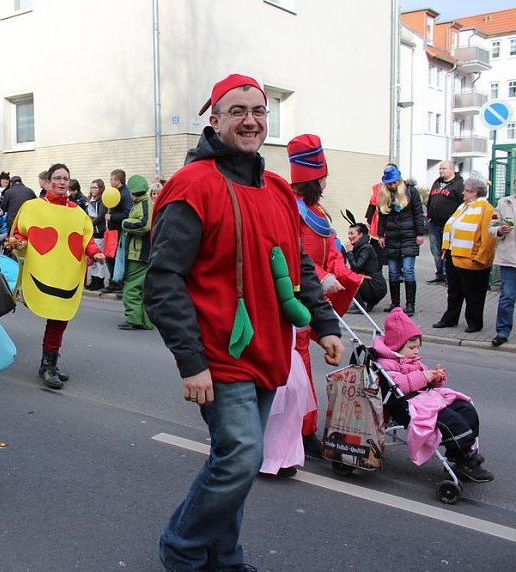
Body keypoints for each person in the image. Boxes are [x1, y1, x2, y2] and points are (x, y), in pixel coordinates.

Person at [144, 73, 343, 572]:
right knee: (240, 456)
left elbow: (298, 265)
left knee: (239, 461)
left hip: (269, 349)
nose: (250, 120)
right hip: (219, 354)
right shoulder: (192, 186)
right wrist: (191, 362)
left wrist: (324, 324)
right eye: (237, 111)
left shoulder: (276, 189)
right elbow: (163, 282)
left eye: (258, 111)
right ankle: (181, 548)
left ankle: (224, 558)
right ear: (214, 120)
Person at [286, 134, 362, 454]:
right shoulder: (291, 207)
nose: (325, 182)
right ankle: (298, 433)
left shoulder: (316, 209)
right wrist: (321, 277)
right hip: (292, 295)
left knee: (301, 366)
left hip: (311, 294)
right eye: (322, 177)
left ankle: (301, 430)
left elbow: (331, 250)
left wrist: (345, 276)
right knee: (297, 366)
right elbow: (292, 252)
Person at [10, 163, 105, 390]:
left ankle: (48, 365)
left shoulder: (78, 212)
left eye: (65, 178)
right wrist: (19, 243)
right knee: (55, 318)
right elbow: (20, 233)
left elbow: (86, 239)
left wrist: (95, 253)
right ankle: (47, 366)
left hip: (67, 275)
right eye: (57, 178)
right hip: (42, 272)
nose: (62, 182)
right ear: (48, 181)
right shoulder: (32, 207)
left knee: (60, 319)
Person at [374, 308, 493, 482]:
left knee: (465, 408)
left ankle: (465, 452)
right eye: (412, 347)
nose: (416, 351)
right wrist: (425, 376)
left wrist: (436, 378)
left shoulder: (412, 360)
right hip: (405, 405)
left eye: (418, 347)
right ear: (396, 346)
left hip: (425, 398)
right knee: (450, 420)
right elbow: (400, 385)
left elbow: (424, 381)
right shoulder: (387, 364)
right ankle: (464, 459)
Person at [433, 178, 496, 333]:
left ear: (475, 192)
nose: (463, 193)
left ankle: (474, 322)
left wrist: (481, 258)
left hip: (471, 259)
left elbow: (488, 238)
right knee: (454, 291)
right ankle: (450, 318)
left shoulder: (486, 209)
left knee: (474, 294)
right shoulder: (463, 206)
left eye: (467, 190)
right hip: (454, 255)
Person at [378, 165, 424, 315]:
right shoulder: (385, 195)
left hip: (409, 236)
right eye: (389, 183)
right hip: (392, 237)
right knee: (393, 271)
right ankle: (395, 303)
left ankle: (410, 305)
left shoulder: (411, 191)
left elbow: (418, 213)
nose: (392, 186)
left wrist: (420, 234)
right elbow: (382, 216)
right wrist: (380, 235)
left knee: (408, 270)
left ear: (399, 180)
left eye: (394, 182)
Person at [118, 174, 153, 330]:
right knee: (141, 288)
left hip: (139, 253)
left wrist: (125, 223)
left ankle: (134, 319)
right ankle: (145, 321)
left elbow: (144, 225)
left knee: (131, 287)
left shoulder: (144, 204)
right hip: (141, 252)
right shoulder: (143, 202)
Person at [427, 161, 464, 284]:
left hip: (449, 224)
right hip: (434, 222)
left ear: (452, 169)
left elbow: (461, 204)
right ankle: (439, 274)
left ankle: (448, 276)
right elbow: (430, 199)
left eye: (444, 168)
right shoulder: (437, 182)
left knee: (447, 250)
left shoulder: (459, 184)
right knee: (435, 250)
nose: (441, 171)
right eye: (440, 168)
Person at [490, 185, 516, 347]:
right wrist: (500, 230)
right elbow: (491, 227)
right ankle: (503, 331)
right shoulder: (504, 203)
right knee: (507, 296)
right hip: (509, 259)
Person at [101, 169, 134, 294]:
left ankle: (118, 283)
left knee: (116, 258)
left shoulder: (125, 194)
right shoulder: (116, 192)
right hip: (113, 231)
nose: (110, 181)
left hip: (120, 232)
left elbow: (127, 213)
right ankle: (114, 281)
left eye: (111, 179)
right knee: (110, 256)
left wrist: (112, 217)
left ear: (117, 180)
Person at [344, 217, 387, 312]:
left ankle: (360, 306)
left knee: (351, 279)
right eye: (349, 234)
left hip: (376, 286)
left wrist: (349, 252)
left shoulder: (366, 248)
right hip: (372, 284)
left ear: (360, 235)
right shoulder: (360, 247)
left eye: (352, 233)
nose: (349, 236)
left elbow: (356, 267)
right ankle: (367, 304)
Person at [85, 179, 108, 291]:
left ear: (100, 189)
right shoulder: (90, 200)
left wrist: (90, 224)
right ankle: (94, 279)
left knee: (99, 257)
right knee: (93, 258)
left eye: (95, 187)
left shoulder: (102, 201)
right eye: (91, 187)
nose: (93, 190)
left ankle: (99, 281)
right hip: (92, 232)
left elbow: (101, 216)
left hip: (99, 232)